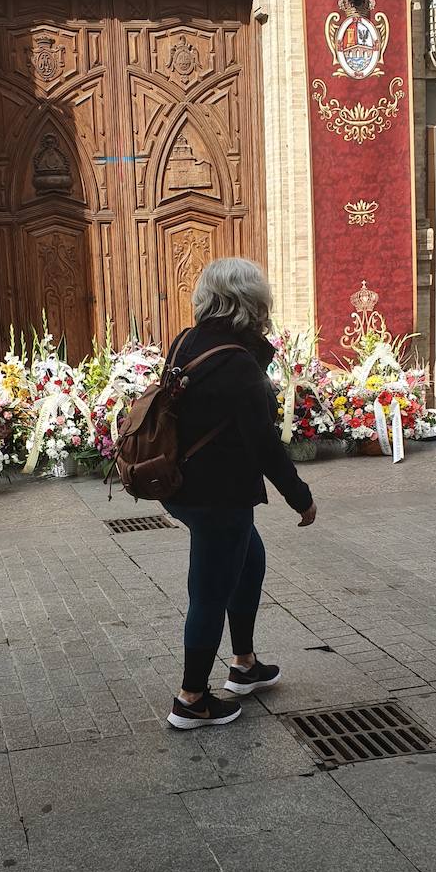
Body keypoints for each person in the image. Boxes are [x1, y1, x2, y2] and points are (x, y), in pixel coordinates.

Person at [164, 257, 316, 730]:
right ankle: (191, 700)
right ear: (252, 302)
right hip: (218, 495)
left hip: (184, 484)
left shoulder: (188, 340)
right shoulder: (238, 363)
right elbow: (265, 446)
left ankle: (244, 666)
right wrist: (301, 497)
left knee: (249, 559)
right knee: (209, 591)